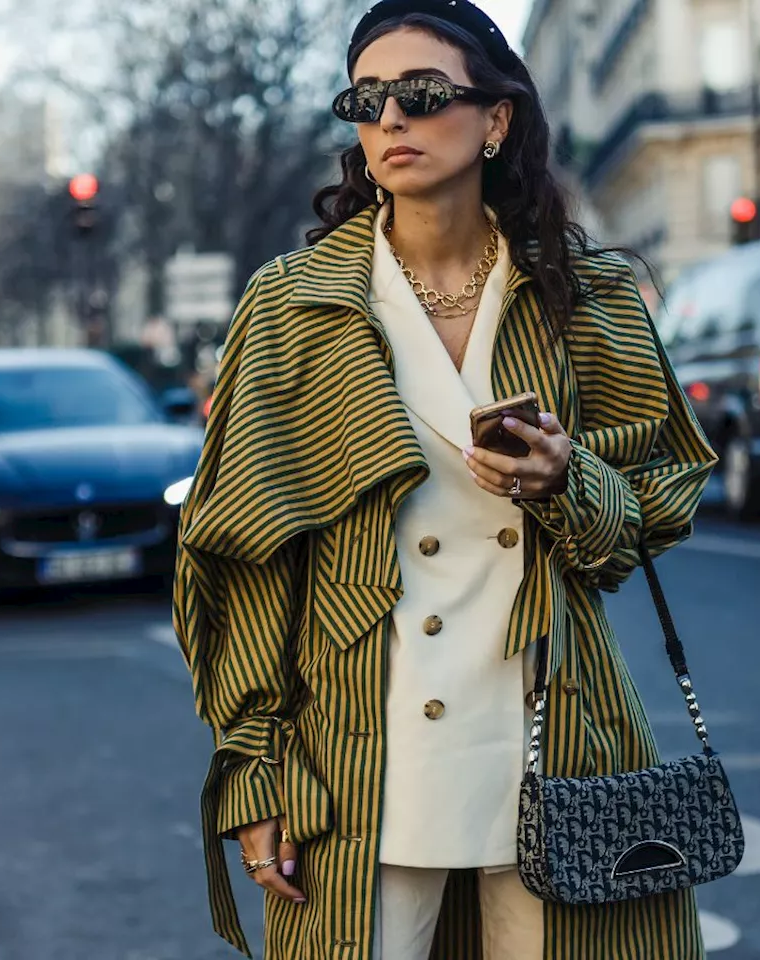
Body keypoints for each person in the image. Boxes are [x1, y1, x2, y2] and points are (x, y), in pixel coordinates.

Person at [172, 2, 718, 958]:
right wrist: (254, 772)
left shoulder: (584, 295)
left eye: (422, 95)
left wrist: (568, 479)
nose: (391, 120)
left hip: (556, 740)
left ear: (495, 120)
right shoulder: (294, 308)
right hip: (360, 756)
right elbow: (246, 566)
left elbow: (650, 513)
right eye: (367, 99)